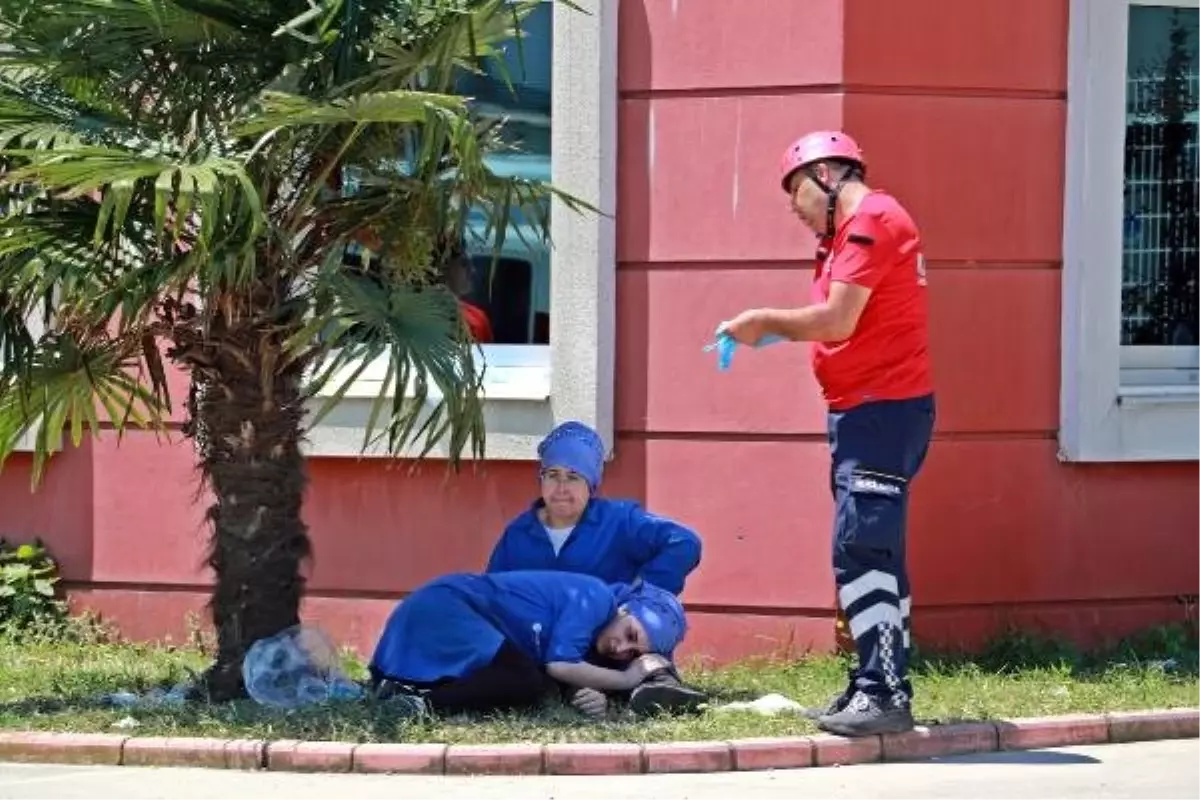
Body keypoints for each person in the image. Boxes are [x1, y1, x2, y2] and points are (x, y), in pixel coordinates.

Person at [718, 130, 935, 737]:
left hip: (882, 411)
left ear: (828, 175)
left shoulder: (873, 221)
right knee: (873, 548)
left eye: (797, 193)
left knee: (863, 547)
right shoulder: (844, 235)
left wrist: (763, 321)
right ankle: (877, 679)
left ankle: (884, 692)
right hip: (866, 411)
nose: (794, 208)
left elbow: (839, 318)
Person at [485, 420, 707, 716]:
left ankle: (658, 690)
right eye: (552, 475)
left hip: (616, 640)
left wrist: (645, 595)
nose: (561, 488)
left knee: (643, 645)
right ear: (541, 479)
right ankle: (585, 691)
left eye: (573, 477)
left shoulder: (618, 520)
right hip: (556, 648)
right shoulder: (518, 534)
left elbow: (684, 542)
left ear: (591, 484)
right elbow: (494, 593)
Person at [367, 570, 687, 718]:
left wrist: (594, 696)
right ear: (625, 609)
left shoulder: (600, 629)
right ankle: (423, 706)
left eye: (633, 654)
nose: (621, 649)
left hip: (432, 605)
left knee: (522, 678)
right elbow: (560, 665)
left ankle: (401, 688)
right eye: (630, 635)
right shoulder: (596, 597)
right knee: (525, 682)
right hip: (447, 606)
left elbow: (563, 673)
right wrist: (625, 678)